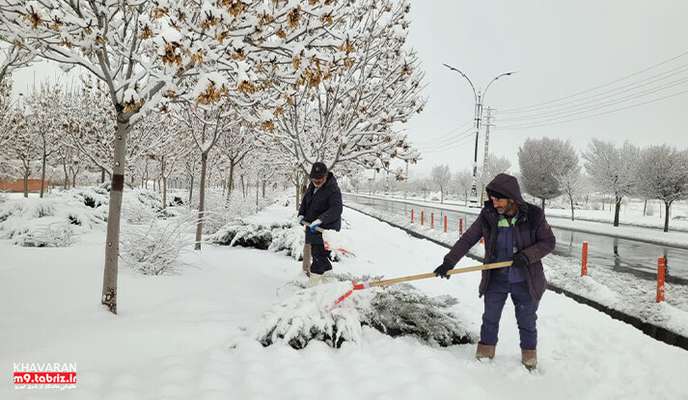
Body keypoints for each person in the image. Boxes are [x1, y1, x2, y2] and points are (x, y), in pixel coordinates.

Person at [433, 173, 555, 370]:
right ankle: (484, 355)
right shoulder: (489, 215)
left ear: (512, 198)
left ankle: (529, 359)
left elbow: (548, 242)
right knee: (490, 318)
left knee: (527, 320)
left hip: (526, 279)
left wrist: (526, 256)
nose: (494, 203)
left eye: (498, 199)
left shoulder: (533, 215)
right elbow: (468, 239)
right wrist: (449, 262)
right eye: (492, 199)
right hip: (496, 278)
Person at [298, 162, 343, 286]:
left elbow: (336, 209)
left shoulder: (333, 189)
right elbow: (305, 201)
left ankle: (311, 288)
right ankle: (330, 284)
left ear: (326, 176)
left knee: (318, 257)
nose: (316, 182)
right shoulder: (312, 186)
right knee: (320, 256)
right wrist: (301, 214)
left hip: (326, 229)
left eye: (320, 179)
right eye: (314, 179)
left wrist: (320, 220)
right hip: (313, 228)